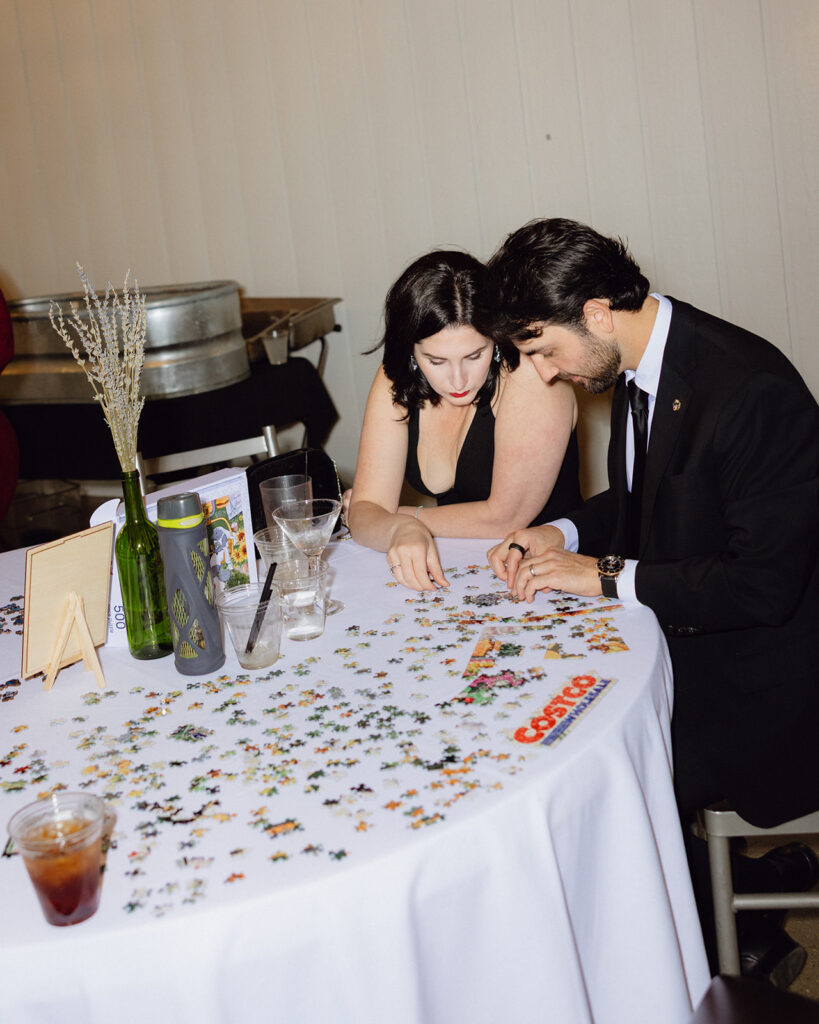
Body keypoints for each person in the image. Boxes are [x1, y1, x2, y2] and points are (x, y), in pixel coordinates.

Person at [482, 217, 819, 986]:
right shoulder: (645, 363)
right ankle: (742, 894)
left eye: (542, 350)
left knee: (584, 781)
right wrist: (557, 530)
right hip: (702, 642)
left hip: (767, 686)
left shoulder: (749, 391)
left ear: (595, 314)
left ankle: (680, 965)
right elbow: (645, 503)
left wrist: (600, 576)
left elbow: (758, 586)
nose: (542, 372)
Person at [347, 249, 581, 591]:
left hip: (551, 579)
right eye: (436, 361)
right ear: (411, 351)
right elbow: (364, 512)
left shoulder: (531, 375)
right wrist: (397, 527)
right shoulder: (395, 377)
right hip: (462, 578)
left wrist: (402, 517)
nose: (458, 380)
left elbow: (504, 518)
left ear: (496, 341)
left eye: (474, 355)